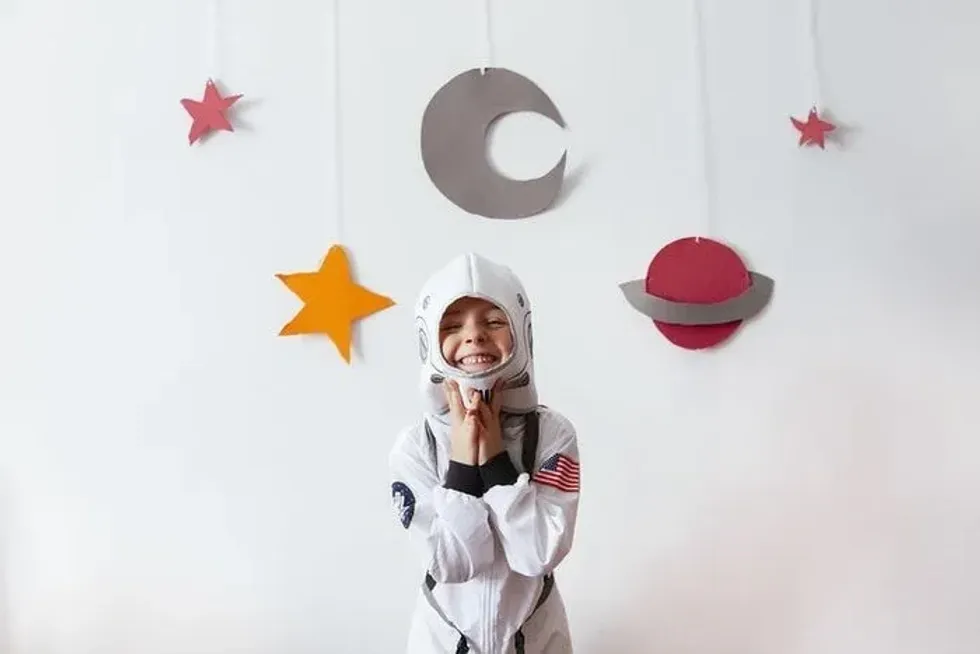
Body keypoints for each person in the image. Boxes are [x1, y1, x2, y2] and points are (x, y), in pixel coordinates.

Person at [389, 252, 581, 654]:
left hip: (537, 639)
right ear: (428, 339)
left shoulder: (550, 434)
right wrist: (461, 463)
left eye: (494, 321)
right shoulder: (416, 446)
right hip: (441, 641)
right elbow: (452, 563)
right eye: (454, 324)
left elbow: (537, 553)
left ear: (522, 331)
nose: (474, 336)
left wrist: (496, 462)